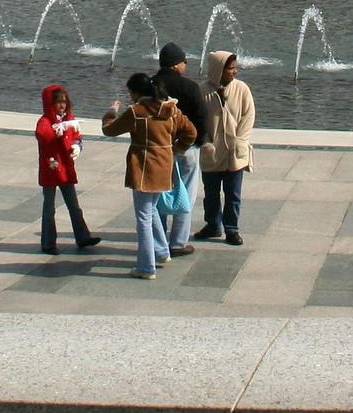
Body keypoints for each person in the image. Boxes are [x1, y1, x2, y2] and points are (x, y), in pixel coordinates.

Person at [102, 72, 195, 279]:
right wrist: (175, 149)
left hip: (143, 170)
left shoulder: (137, 112)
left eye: (131, 93)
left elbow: (109, 130)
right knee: (151, 210)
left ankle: (146, 267)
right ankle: (162, 252)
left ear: (136, 93)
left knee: (143, 217)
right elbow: (191, 132)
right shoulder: (171, 110)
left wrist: (110, 112)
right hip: (165, 168)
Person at [153, 42, 209, 256]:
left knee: (157, 194)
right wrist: (197, 142)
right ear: (176, 65)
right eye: (184, 61)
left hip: (158, 148)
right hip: (187, 149)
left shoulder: (151, 84)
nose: (186, 65)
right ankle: (177, 242)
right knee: (186, 192)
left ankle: (158, 242)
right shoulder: (190, 87)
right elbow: (202, 119)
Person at [35, 84, 102, 254]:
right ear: (50, 104)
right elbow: (43, 136)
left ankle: (83, 236)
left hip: (65, 169)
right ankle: (48, 243)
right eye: (58, 102)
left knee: (74, 205)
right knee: (49, 208)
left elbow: (76, 136)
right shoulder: (45, 121)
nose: (62, 105)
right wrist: (59, 129)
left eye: (64, 102)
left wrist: (77, 145)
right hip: (51, 169)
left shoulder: (68, 120)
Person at [197, 50, 255, 245]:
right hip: (212, 152)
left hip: (234, 153)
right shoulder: (202, 91)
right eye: (230, 69)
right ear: (218, 70)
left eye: (235, 68)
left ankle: (232, 229)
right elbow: (196, 121)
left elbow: (248, 117)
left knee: (233, 194)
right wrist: (205, 142)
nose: (234, 72)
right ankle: (213, 225)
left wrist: (240, 141)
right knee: (211, 194)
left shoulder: (242, 89)